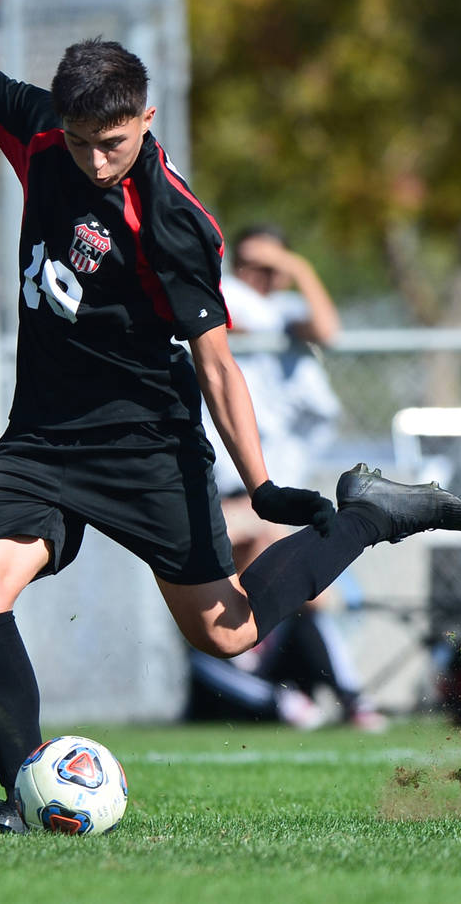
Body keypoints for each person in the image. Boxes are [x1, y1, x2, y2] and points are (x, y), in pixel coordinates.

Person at [0, 0, 461, 832]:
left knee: (228, 633)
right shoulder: (44, 138)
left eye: (117, 140)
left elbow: (217, 366)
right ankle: (23, 797)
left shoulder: (174, 225)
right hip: (42, 440)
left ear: (147, 117)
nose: (99, 159)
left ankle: (366, 517)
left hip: (147, 442)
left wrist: (258, 485)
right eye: (86, 139)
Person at [195, 226, 384, 731]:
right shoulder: (224, 297)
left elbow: (326, 329)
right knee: (258, 574)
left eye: (275, 264)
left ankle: (330, 696)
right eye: (258, 262)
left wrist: (297, 268)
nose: (266, 273)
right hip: (227, 497)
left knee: (305, 583)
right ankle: (329, 697)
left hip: (267, 499)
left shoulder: (279, 310)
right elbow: (221, 330)